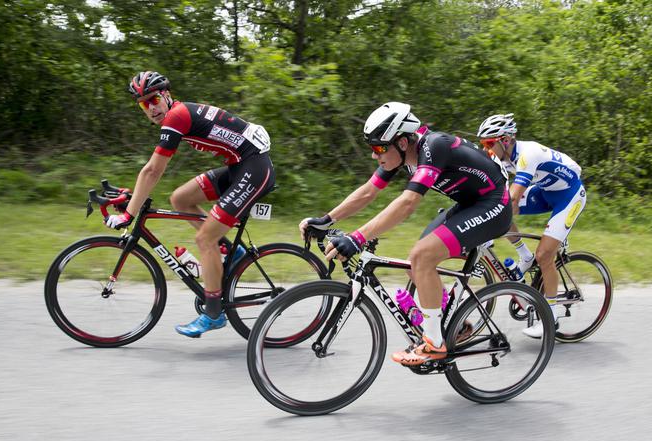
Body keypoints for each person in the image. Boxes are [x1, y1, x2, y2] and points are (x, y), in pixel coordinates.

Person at [299, 102, 512, 365]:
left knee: (421, 256)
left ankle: (434, 344)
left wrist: (357, 237)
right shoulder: (401, 153)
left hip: (494, 204)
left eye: (379, 148)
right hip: (468, 204)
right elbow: (368, 192)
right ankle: (457, 325)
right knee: (416, 267)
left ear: (401, 141)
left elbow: (408, 202)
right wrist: (326, 219)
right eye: (372, 148)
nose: (375, 155)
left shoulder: (434, 146)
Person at [106, 71, 275, 338]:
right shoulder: (180, 114)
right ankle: (234, 254)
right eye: (143, 104)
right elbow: (151, 172)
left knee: (204, 238)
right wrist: (132, 203)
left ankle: (213, 313)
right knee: (180, 199)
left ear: (167, 95)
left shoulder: (177, 116)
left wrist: (129, 213)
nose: (150, 108)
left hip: (253, 168)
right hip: (240, 165)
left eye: (153, 100)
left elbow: (152, 171)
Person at [477, 113, 586, 338]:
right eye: (483, 144)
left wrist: (487, 224)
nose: (486, 149)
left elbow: (514, 197)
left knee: (545, 255)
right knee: (500, 207)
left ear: (505, 140)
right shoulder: (502, 157)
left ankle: (550, 316)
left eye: (489, 143)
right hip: (546, 191)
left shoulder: (528, 154)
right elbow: (496, 193)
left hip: (570, 195)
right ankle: (524, 256)